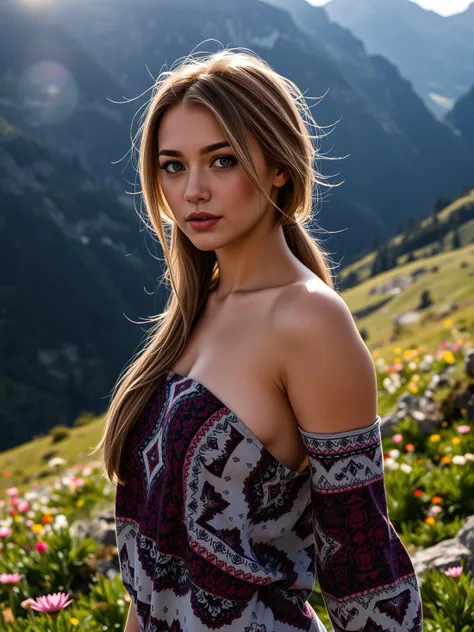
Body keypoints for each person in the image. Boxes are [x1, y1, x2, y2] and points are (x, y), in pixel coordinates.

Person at [94, 48, 423, 632]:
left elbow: (362, 560)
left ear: (279, 165)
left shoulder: (309, 322)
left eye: (221, 161)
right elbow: (155, 568)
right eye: (173, 166)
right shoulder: (198, 308)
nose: (192, 190)